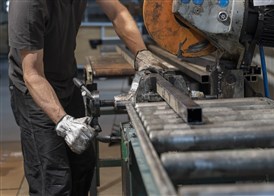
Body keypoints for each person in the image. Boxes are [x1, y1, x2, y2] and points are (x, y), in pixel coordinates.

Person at [8, 0, 162, 195]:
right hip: (34, 92)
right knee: (54, 179)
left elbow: (117, 12)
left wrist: (141, 54)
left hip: (65, 81)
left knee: (83, 165)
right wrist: (63, 122)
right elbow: (32, 75)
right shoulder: (28, 5)